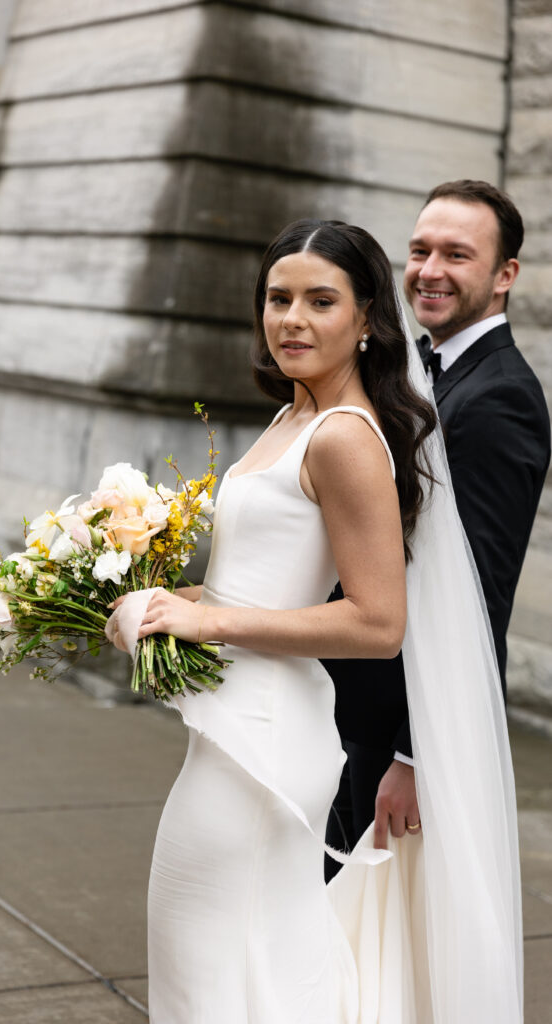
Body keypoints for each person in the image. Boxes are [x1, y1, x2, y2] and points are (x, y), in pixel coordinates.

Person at [108, 219, 523, 1023]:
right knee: (238, 967)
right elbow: (254, 590)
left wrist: (207, 625)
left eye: (318, 300)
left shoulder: (343, 437)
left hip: (266, 738)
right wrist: (153, 606)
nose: (291, 319)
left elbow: (376, 623)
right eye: (277, 299)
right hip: (236, 725)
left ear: (366, 319)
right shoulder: (292, 418)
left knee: (217, 972)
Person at [323, 180, 550, 881]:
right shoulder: (418, 369)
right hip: (353, 704)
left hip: (401, 721)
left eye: (457, 255)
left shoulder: (498, 399)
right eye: (419, 250)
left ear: (504, 275)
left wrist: (413, 756)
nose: (428, 271)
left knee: (369, 936)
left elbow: (480, 592)